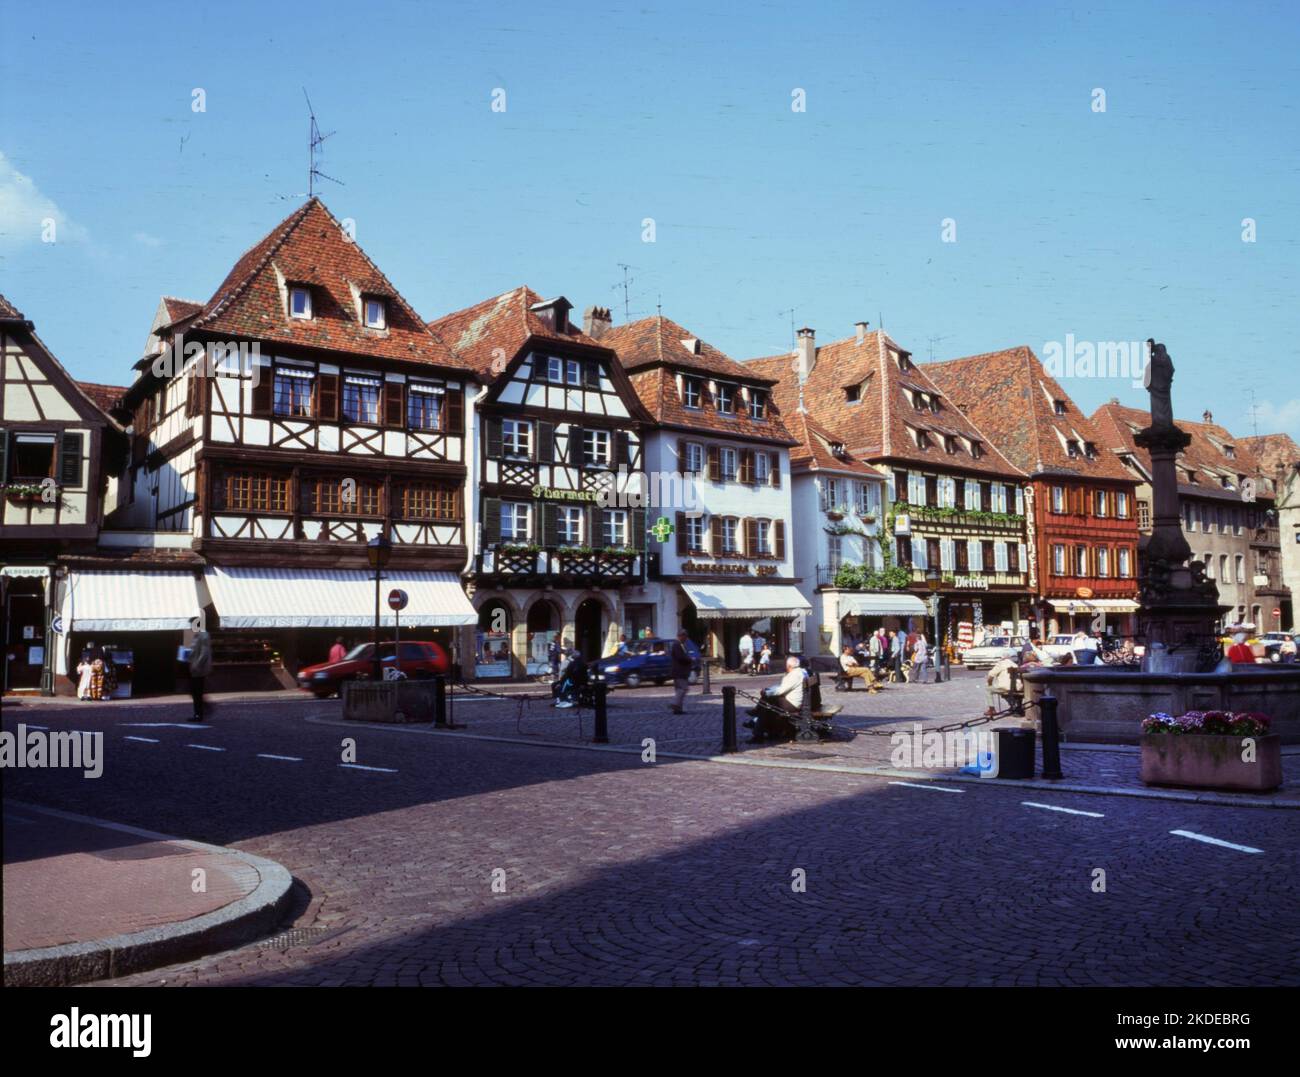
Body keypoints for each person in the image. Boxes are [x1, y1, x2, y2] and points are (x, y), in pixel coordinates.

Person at [188, 628, 213, 722]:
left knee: (197, 692)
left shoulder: (203, 635)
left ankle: (199, 714)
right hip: (195, 669)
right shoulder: (198, 635)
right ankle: (199, 712)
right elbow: (195, 651)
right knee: (195, 692)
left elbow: (204, 653)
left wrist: (197, 665)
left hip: (199, 670)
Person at [669, 630, 693, 714]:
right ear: (681, 636)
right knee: (683, 688)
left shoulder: (681, 645)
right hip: (679, 671)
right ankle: (675, 703)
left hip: (680, 671)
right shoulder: (677, 645)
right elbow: (680, 657)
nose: (686, 639)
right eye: (685, 637)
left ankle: (678, 709)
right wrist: (690, 659)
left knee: (679, 689)